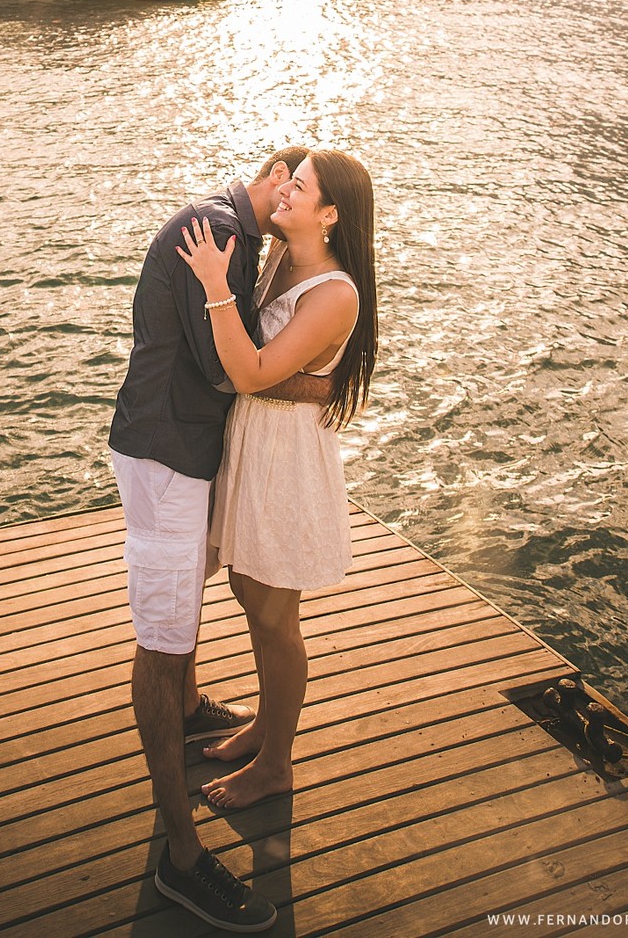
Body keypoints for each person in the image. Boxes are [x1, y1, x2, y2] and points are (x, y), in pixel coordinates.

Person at [109, 148, 333, 934]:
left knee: (185, 612)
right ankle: (179, 855)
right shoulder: (218, 232)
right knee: (161, 641)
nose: (290, 202)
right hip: (168, 458)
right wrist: (319, 384)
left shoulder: (232, 230)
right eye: (292, 185)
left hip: (179, 452)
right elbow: (226, 369)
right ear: (273, 173)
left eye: (304, 193)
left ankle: (193, 705)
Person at [177, 149, 378, 812]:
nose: (283, 190)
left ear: (328, 215)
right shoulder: (279, 258)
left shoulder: (333, 292)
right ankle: (263, 729)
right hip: (250, 440)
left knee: (272, 616)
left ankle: (277, 765)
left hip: (283, 459)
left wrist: (212, 281)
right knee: (243, 586)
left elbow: (252, 372)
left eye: (300, 187)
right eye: (285, 180)